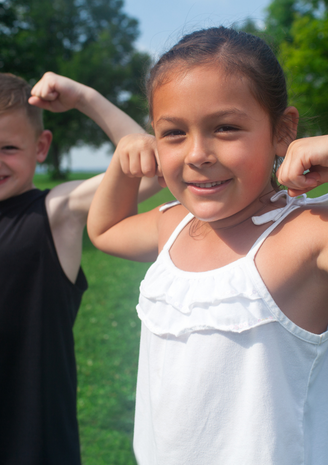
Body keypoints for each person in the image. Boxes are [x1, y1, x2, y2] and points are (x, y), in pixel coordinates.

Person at [87, 26, 328, 464]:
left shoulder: (308, 232)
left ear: (283, 131)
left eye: (226, 127)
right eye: (174, 134)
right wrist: (122, 166)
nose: (198, 153)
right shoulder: (174, 225)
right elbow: (106, 230)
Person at [0, 72, 159, 465]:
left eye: (9, 147)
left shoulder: (56, 212)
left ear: (41, 146)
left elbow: (149, 168)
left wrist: (85, 96)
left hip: (36, 438)